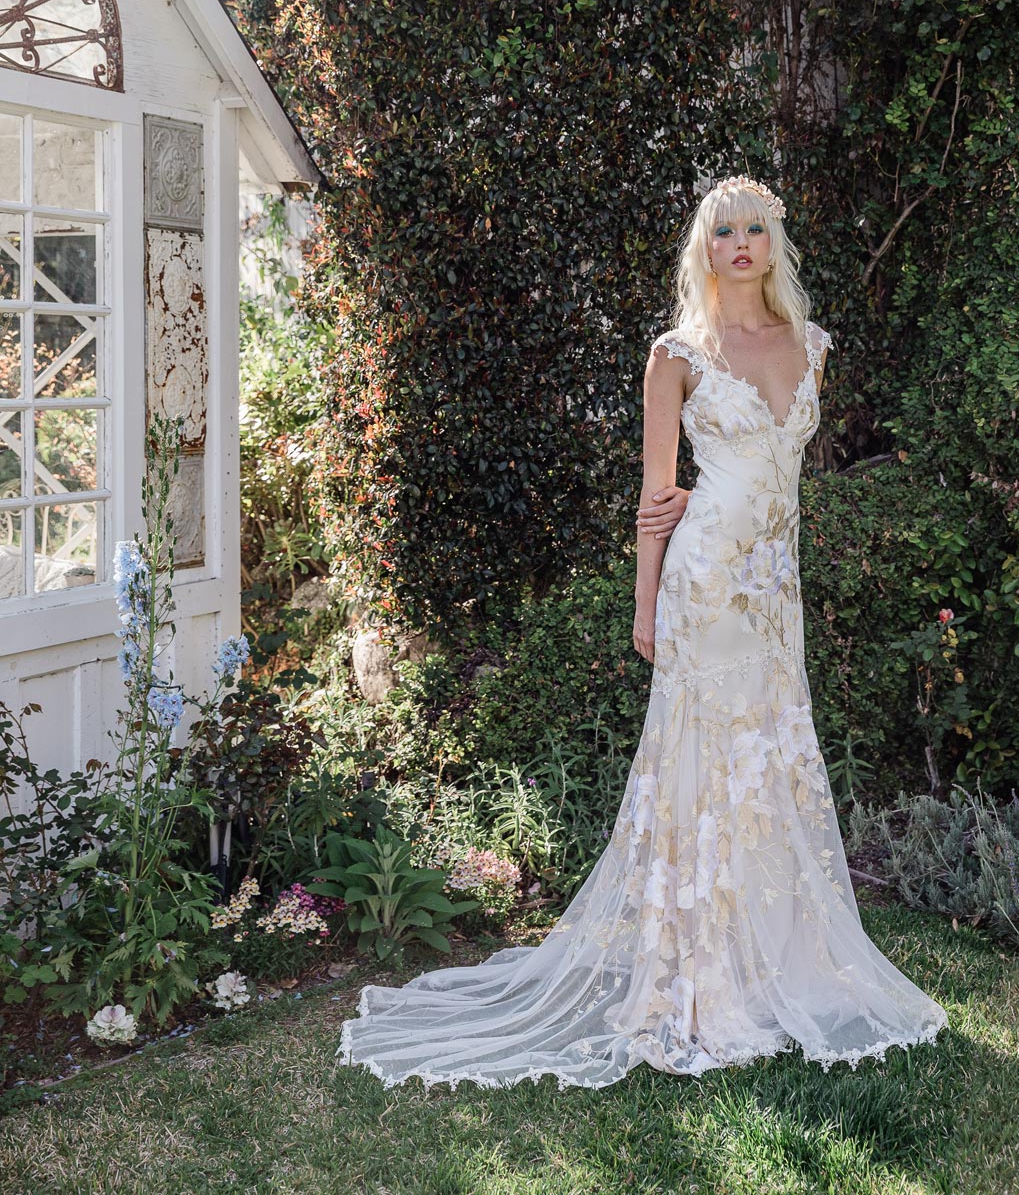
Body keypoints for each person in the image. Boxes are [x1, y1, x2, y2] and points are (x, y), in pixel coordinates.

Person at [338, 174, 949, 1090]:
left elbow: (780, 478)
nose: (740, 243)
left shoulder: (810, 344)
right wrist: (644, 606)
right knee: (707, 767)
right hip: (704, 587)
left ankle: (773, 957)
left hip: (775, 590)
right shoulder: (678, 354)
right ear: (704, 251)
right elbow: (655, 502)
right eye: (722, 231)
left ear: (774, 244)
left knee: (772, 758)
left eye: (754, 228)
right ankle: (703, 975)